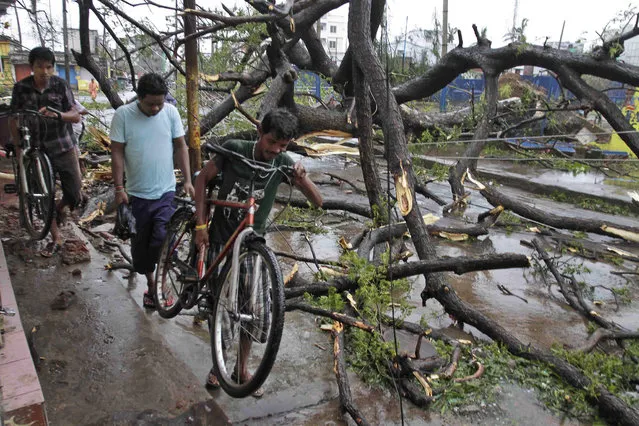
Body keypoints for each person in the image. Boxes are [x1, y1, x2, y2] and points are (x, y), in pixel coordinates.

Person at [193, 108, 322, 396]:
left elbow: (318, 201)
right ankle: (219, 367)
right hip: (222, 240)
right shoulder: (235, 149)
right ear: (260, 133)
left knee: (253, 311)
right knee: (223, 305)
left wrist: (302, 176)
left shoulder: (283, 162)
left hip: (253, 246)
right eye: (272, 142)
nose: (275, 150)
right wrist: (200, 225)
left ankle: (241, 368)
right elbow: (202, 179)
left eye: (283, 146)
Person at [110, 73, 195, 309]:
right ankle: (151, 287)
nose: (157, 108)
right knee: (142, 249)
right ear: (139, 97)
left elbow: (180, 147)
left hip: (166, 192)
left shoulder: (170, 113)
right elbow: (116, 152)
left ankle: (161, 284)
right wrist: (119, 188)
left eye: (161, 102)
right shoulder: (123, 115)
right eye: (151, 104)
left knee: (161, 240)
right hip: (136, 195)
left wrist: (187, 180)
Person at [9, 46, 82, 257]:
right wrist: (17, 146)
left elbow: (75, 115)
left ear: (53, 68)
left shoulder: (61, 85)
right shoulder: (21, 88)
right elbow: (14, 118)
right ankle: (56, 236)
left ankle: (59, 209)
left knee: (75, 192)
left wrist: (57, 115)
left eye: (49, 67)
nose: (45, 71)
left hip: (62, 145)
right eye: (40, 67)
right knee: (43, 194)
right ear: (32, 67)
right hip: (35, 148)